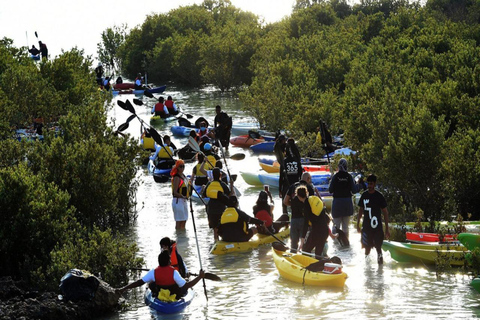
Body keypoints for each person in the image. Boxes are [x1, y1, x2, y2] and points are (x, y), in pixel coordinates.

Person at [116, 251, 204, 299]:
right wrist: (199, 277)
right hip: (174, 294)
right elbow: (187, 285)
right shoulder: (174, 272)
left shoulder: (153, 272)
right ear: (168, 261)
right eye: (170, 260)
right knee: (185, 282)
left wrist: (123, 289)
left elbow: (139, 282)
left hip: (160, 294)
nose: (170, 261)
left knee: (150, 284)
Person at [356, 174, 390, 264]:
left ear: (374, 184)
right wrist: (358, 224)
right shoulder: (364, 195)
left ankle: (380, 272)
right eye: (368, 184)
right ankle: (368, 272)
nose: (370, 186)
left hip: (377, 228)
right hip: (366, 228)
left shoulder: (379, 196)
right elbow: (360, 210)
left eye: (371, 184)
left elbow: (385, 212)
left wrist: (387, 229)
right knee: (367, 250)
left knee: (378, 249)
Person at [202, 167, 233, 241]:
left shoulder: (209, 184)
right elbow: (230, 195)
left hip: (211, 208)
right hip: (220, 209)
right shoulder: (223, 184)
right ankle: (223, 243)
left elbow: (203, 195)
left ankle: (216, 242)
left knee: (215, 229)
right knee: (222, 227)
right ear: (220, 175)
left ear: (212, 175)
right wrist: (231, 185)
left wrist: (205, 188)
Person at [329, 158, 356, 240]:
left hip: (337, 204)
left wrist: (332, 181)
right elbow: (354, 190)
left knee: (336, 225)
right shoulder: (349, 177)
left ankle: (335, 242)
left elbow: (330, 190)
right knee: (345, 227)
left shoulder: (335, 177)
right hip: (347, 204)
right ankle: (345, 241)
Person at [171, 160, 190, 230]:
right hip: (178, 201)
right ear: (177, 168)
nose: (182, 168)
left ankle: (182, 237)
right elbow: (174, 192)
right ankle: (178, 236)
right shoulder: (176, 178)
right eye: (180, 166)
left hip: (184, 200)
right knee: (179, 221)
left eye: (183, 166)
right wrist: (182, 196)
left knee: (184, 220)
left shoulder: (183, 176)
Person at [274, 134, 288, 214]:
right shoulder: (280, 146)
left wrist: (280, 189)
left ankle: (285, 214)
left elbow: (281, 178)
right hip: (289, 184)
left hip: (285, 185)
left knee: (284, 204)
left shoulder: (277, 146)